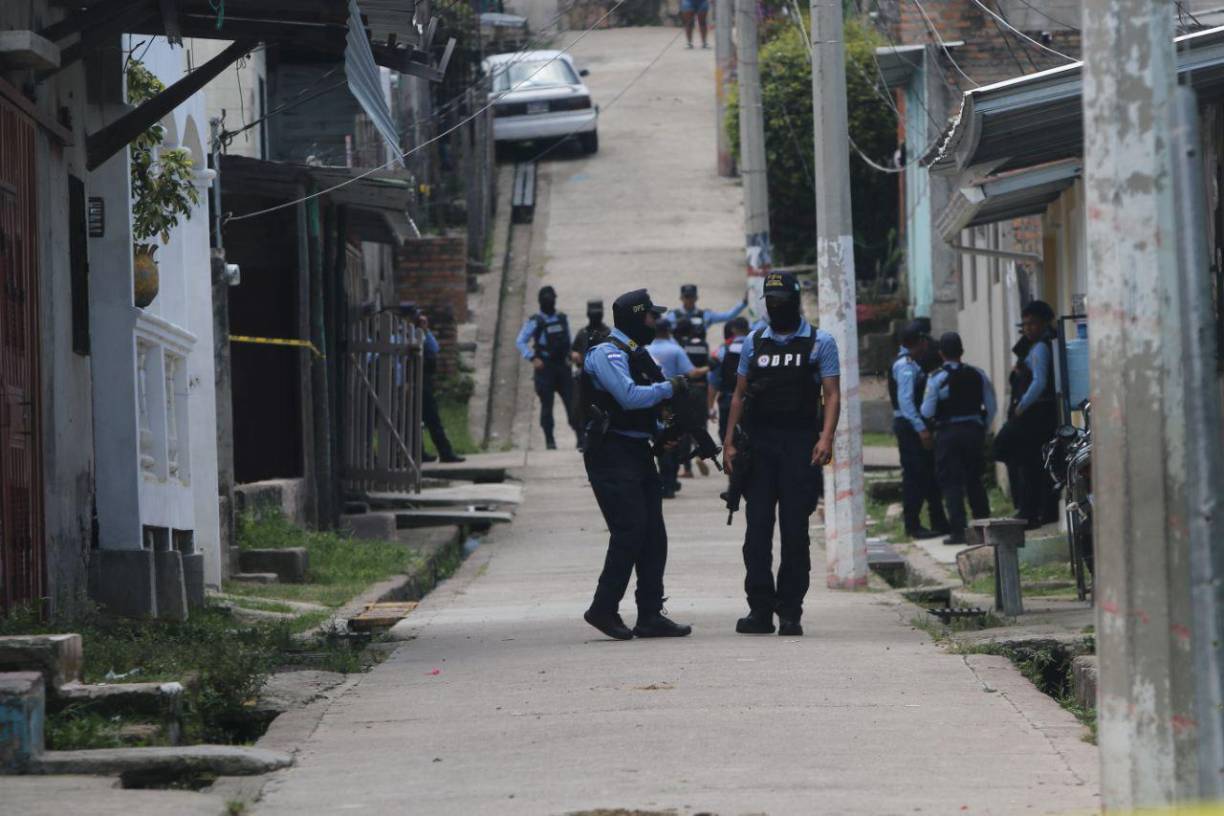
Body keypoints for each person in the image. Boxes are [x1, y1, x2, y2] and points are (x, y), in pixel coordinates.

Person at [722, 272, 841, 637]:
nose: (775, 306)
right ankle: (760, 610)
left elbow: (832, 394)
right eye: (770, 300)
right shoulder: (754, 341)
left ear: (795, 300)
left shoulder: (820, 342)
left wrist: (826, 438)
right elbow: (739, 395)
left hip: (799, 445)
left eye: (781, 300)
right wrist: (728, 442)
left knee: (794, 533)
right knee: (757, 532)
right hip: (759, 447)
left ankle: (790, 612)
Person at [580, 289, 693, 641]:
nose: (654, 322)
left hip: (637, 451)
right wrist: (670, 388)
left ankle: (650, 614)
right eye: (650, 316)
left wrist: (662, 432)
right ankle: (603, 607)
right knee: (629, 530)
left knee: (654, 535)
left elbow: (644, 409)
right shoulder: (607, 353)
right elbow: (628, 397)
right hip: (610, 452)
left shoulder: (636, 354)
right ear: (635, 317)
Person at [920, 332, 998, 546]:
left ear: (941, 353)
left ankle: (958, 531)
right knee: (975, 479)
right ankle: (983, 529)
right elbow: (991, 407)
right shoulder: (978, 374)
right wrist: (981, 426)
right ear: (961, 351)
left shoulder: (937, 378)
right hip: (973, 432)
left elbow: (927, 411)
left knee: (951, 483)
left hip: (948, 434)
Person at [669, 284, 747, 477]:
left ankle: (691, 460)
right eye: (687, 297)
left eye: (691, 297)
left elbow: (727, 316)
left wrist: (743, 303)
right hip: (697, 369)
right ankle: (694, 457)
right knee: (695, 419)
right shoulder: (676, 316)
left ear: (695, 298)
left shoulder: (699, 316)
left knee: (688, 420)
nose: (689, 300)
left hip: (691, 371)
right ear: (682, 298)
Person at [998, 300, 1060, 529]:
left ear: (1044, 323)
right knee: (1030, 463)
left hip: (1036, 416)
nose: (1028, 328)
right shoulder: (1033, 348)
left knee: (1027, 462)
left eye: (1032, 323)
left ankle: (1030, 511)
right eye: (1024, 324)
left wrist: (1021, 406)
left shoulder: (1041, 348)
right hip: (1034, 416)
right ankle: (1034, 510)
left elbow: (1039, 382)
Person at [889, 321, 948, 538]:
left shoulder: (911, 362)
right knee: (914, 475)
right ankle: (912, 525)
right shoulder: (904, 365)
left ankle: (939, 521)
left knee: (928, 473)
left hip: (913, 424)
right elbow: (906, 403)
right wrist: (921, 429)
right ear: (920, 342)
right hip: (909, 426)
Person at [648, 318, 709, 498]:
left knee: (660, 440)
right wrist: (710, 366)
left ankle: (666, 481)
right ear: (668, 331)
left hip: (653, 400)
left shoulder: (647, 349)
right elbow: (691, 373)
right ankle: (670, 482)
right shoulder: (675, 349)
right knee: (673, 441)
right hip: (672, 402)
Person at [515, 286, 579, 450]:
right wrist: (532, 358)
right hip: (545, 368)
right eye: (546, 299)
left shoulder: (562, 318)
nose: (549, 302)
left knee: (572, 403)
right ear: (540, 302)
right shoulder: (535, 321)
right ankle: (549, 440)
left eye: (551, 298)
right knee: (547, 407)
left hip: (563, 367)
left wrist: (572, 353)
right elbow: (520, 341)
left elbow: (568, 341)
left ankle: (580, 437)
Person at [570, 299, 610, 452]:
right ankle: (582, 439)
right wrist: (575, 356)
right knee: (579, 409)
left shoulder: (608, 333)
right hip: (584, 378)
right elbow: (572, 351)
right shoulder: (583, 333)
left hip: (603, 378)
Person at [708, 317, 750, 443]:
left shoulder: (723, 350)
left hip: (728, 401)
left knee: (727, 436)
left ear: (733, 330)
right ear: (748, 329)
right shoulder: (756, 348)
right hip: (751, 402)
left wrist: (710, 407)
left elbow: (714, 381)